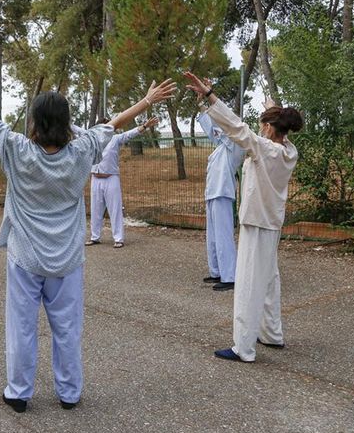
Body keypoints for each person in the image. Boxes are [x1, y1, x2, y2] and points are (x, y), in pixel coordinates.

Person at [0, 50, 177, 413]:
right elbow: (115, 123)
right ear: (67, 122)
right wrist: (147, 101)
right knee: (68, 329)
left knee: (22, 327)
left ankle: (19, 392)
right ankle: (69, 393)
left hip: (25, 257)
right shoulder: (82, 151)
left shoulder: (16, 149)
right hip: (68, 258)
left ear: (34, 121)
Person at [183, 71, 303, 363]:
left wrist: (209, 96)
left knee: (248, 284)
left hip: (256, 223)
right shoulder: (289, 151)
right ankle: (272, 333)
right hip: (271, 223)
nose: (260, 129)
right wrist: (272, 107)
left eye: (263, 125)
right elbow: (274, 126)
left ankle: (243, 348)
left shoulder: (264, 149)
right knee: (270, 279)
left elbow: (236, 127)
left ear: (269, 128)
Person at [86, 116, 160, 248]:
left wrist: (144, 126)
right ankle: (94, 237)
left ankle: (118, 238)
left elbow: (130, 134)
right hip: (95, 179)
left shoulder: (115, 139)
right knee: (95, 210)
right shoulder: (92, 140)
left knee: (115, 209)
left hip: (111, 178)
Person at [197, 98, 245, 291]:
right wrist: (202, 106)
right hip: (212, 194)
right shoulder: (222, 147)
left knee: (223, 235)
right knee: (213, 236)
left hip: (223, 193)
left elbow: (221, 127)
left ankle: (229, 276)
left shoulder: (236, 145)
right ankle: (216, 271)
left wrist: (211, 104)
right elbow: (213, 131)